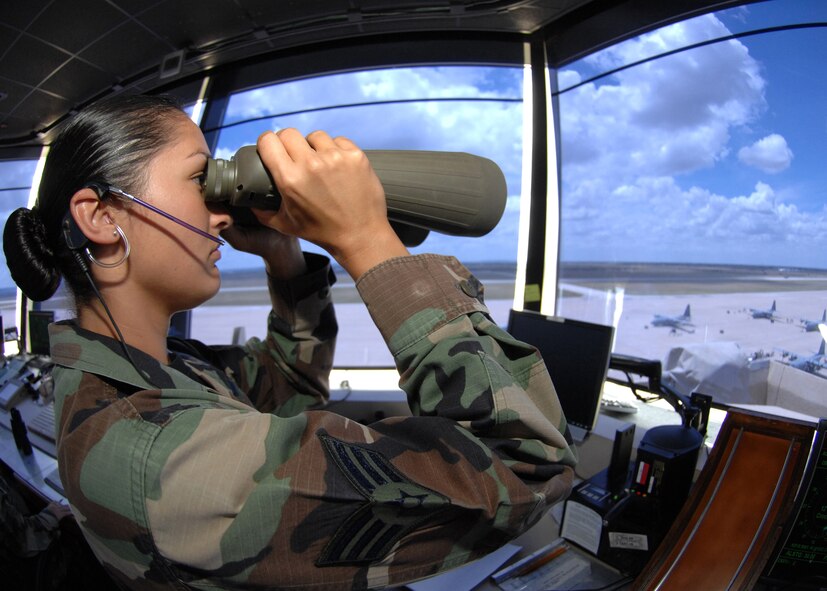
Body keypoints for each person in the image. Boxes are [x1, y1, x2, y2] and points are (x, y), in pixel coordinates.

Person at [3, 94, 576, 590]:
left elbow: (286, 390)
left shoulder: (154, 370)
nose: (222, 216)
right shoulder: (159, 458)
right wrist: (366, 239)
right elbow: (524, 469)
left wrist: (284, 257)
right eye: (201, 180)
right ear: (102, 217)